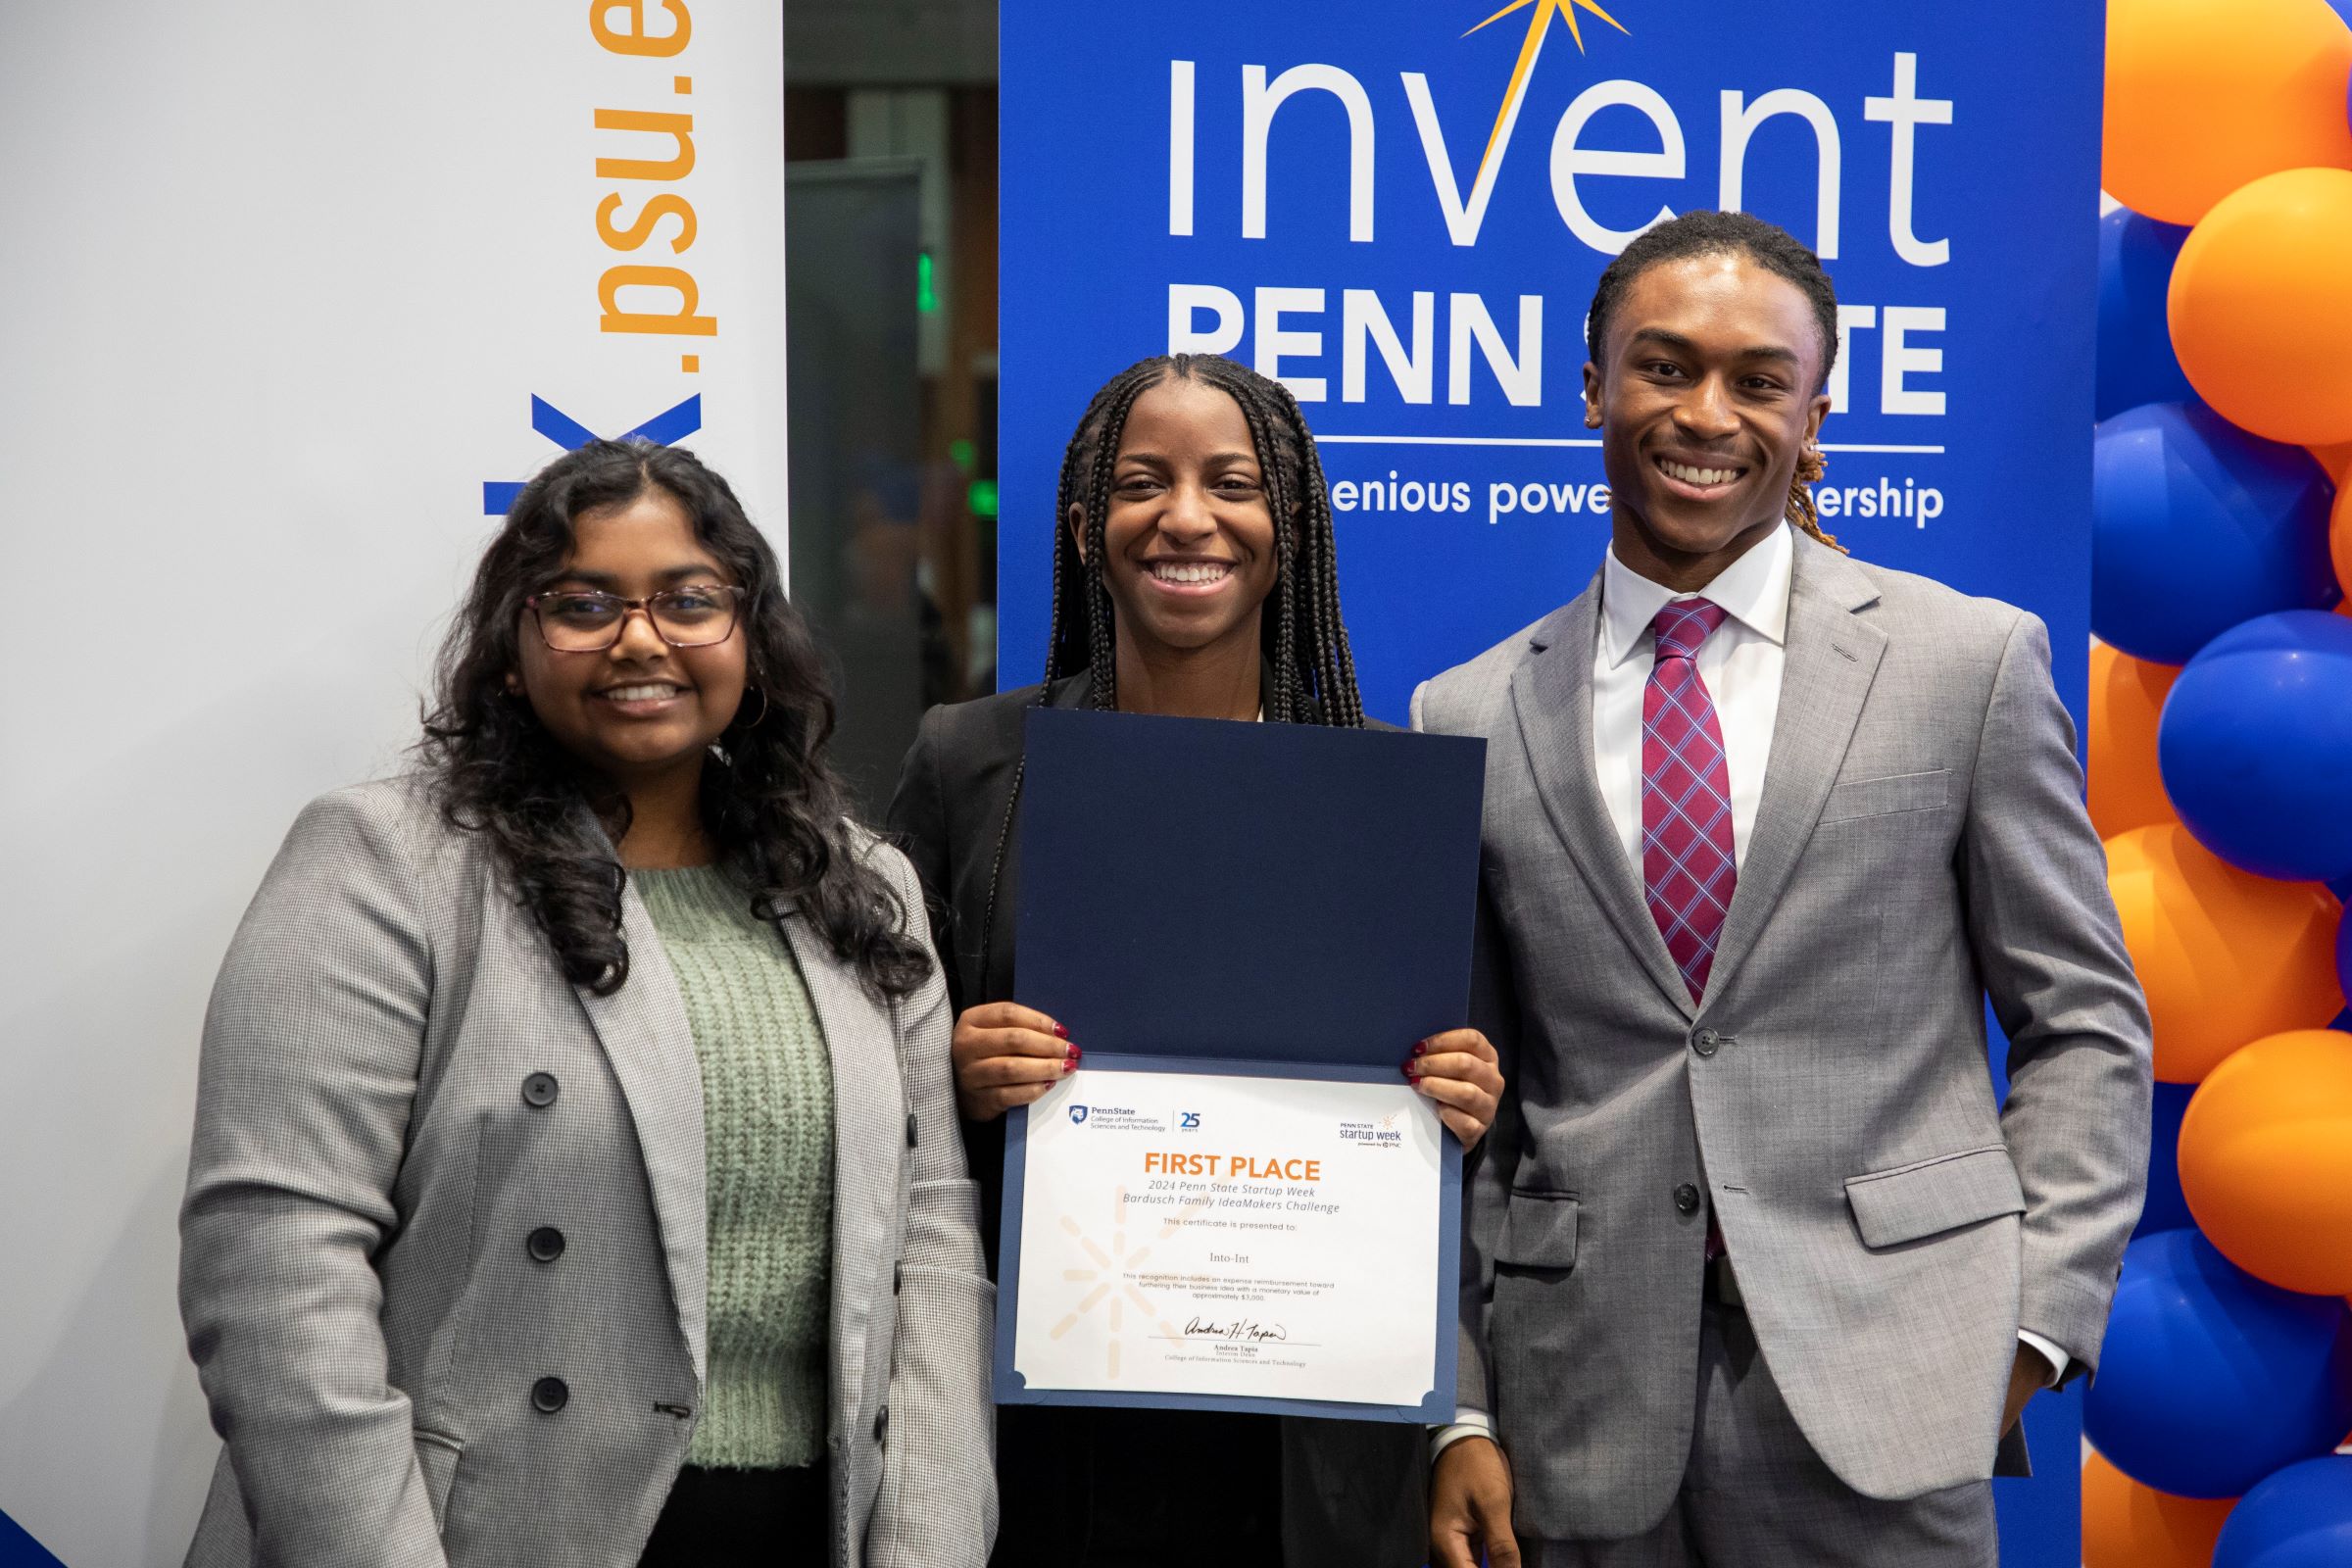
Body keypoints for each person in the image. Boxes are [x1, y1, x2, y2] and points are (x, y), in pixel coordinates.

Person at [1414, 211, 2152, 1568]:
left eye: (1759, 380)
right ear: (1591, 387)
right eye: (1664, 367)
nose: (1707, 414)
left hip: (1894, 1396)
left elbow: (2086, 1025)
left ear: (1817, 410)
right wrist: (1454, 1399)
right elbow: (1464, 1103)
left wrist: (2030, 1328)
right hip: (1574, 1411)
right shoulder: (1464, 713)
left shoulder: (1965, 665)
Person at [178, 439, 994, 1568]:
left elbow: (934, 1244)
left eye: (689, 600)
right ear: (512, 650)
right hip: (479, 1534)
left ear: (751, 643)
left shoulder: (861, 885)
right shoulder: (386, 863)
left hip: (813, 1530)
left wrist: (928, 1546)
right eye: (584, 603)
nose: (641, 637)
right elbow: (276, 1262)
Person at [886, 352, 1505, 1568]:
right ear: (1082, 528)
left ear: (1289, 528)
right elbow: (862, 1081)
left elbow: (1481, 1151)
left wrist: (1463, 1097)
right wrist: (944, 1070)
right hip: (1048, 1418)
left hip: (1319, 1426)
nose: (1185, 516)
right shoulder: (969, 763)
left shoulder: (1383, 792)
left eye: (1232, 482)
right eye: (1140, 483)